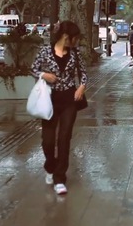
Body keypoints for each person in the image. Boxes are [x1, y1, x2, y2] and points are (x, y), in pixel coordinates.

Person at [31, 20, 88, 195]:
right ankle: (50, 166)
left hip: (69, 100)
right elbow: (33, 69)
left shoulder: (76, 53)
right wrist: (44, 75)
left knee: (64, 139)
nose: (76, 41)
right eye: (75, 38)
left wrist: (81, 87)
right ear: (65, 36)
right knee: (48, 141)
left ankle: (60, 178)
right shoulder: (45, 51)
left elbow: (84, 74)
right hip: (49, 100)